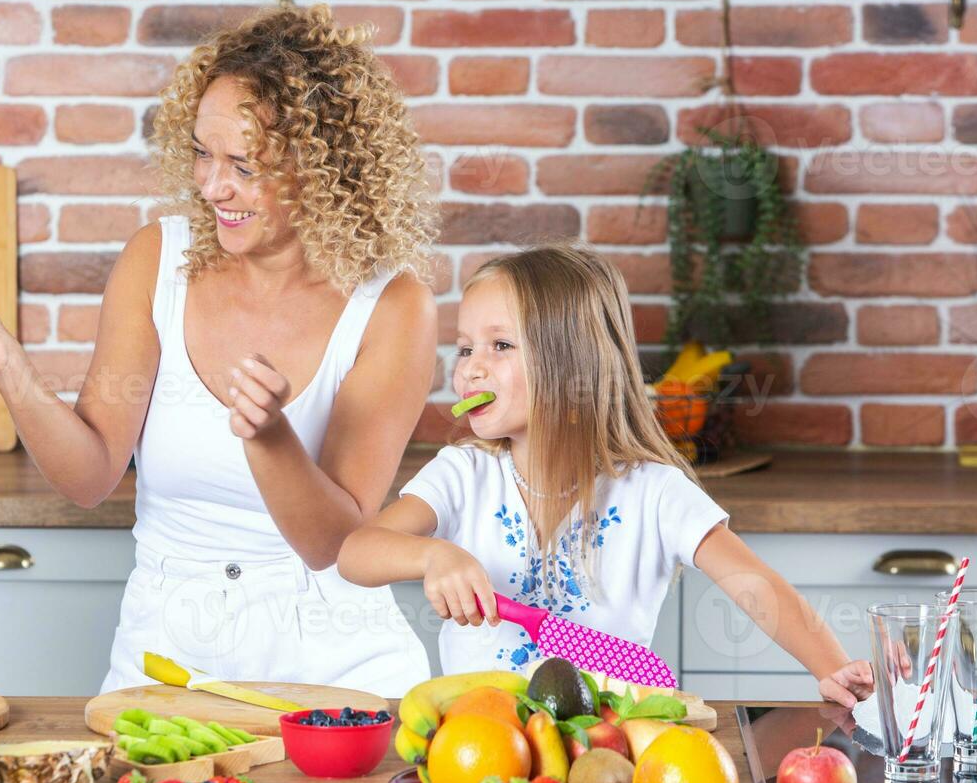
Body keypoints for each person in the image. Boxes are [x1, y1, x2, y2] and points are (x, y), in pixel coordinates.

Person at [0, 4, 437, 695]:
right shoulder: (158, 259)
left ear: (323, 167)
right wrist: (6, 365)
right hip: (166, 662)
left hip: (334, 676)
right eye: (202, 152)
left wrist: (270, 438)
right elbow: (90, 475)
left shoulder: (393, 306)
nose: (212, 186)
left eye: (245, 165)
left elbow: (333, 546)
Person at [337, 242, 874, 709]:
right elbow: (356, 553)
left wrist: (831, 667)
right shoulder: (462, 474)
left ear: (572, 362)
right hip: (482, 745)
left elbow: (755, 585)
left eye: (500, 346)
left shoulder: (653, 492)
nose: (470, 367)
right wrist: (433, 555)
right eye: (464, 348)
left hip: (612, 748)